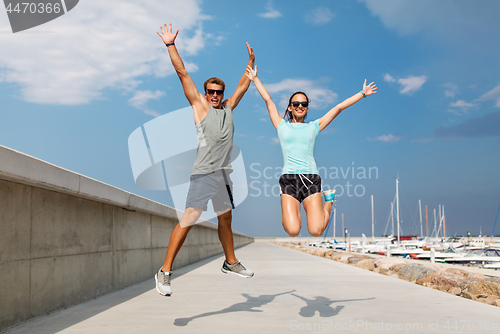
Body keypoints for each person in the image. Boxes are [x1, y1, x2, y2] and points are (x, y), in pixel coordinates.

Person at [154, 23, 255, 296]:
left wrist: (251, 63)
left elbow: (244, 86)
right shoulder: (199, 105)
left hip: (223, 176)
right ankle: (164, 272)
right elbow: (182, 73)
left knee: (226, 221)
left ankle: (230, 262)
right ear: (205, 92)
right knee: (189, 220)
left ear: (222, 95)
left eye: (218, 92)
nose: (214, 95)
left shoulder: (229, 107)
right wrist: (170, 45)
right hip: (203, 174)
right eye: (210, 91)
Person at [246, 65, 377, 237]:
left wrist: (362, 93)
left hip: (310, 179)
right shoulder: (281, 125)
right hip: (288, 180)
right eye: (296, 103)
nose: (300, 106)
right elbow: (268, 100)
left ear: (307, 108)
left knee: (316, 231)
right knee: (293, 230)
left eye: (304, 104)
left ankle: (329, 201)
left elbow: (338, 108)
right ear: (290, 107)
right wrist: (255, 79)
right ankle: (290, 215)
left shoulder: (314, 126)